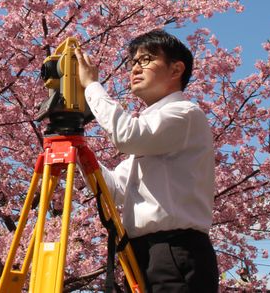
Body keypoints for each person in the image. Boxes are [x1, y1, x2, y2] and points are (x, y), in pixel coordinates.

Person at [75, 29, 218, 292]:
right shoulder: (151, 132)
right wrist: (78, 153)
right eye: (133, 62)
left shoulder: (184, 113)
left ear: (176, 70)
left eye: (146, 59)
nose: (135, 69)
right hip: (143, 253)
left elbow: (127, 135)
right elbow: (115, 191)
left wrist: (92, 87)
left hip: (174, 249)